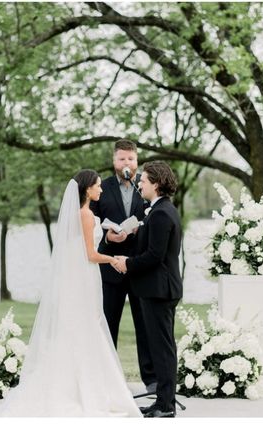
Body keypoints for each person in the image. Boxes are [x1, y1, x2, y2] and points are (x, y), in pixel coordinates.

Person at [0, 170, 141, 417]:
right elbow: (90, 254)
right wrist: (113, 259)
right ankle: (81, 390)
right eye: (97, 186)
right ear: (87, 190)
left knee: (76, 328)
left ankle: (73, 384)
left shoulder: (79, 215)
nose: (101, 190)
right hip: (84, 276)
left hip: (79, 276)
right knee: (86, 328)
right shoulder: (86, 215)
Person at [115, 161, 183, 418]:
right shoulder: (156, 210)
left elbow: (155, 255)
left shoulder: (162, 214)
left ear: (156, 183)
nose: (139, 183)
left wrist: (127, 264)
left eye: (143, 180)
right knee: (160, 348)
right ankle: (163, 402)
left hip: (159, 290)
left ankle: (166, 406)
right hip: (156, 289)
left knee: (163, 349)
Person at [90, 139, 157, 393]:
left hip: (140, 266)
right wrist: (108, 237)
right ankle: (106, 380)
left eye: (130, 159)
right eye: (121, 159)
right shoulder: (101, 188)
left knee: (145, 324)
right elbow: (93, 224)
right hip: (110, 268)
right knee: (107, 324)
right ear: (114, 161)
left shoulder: (146, 185)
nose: (126, 163)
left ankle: (151, 380)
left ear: (136, 160)